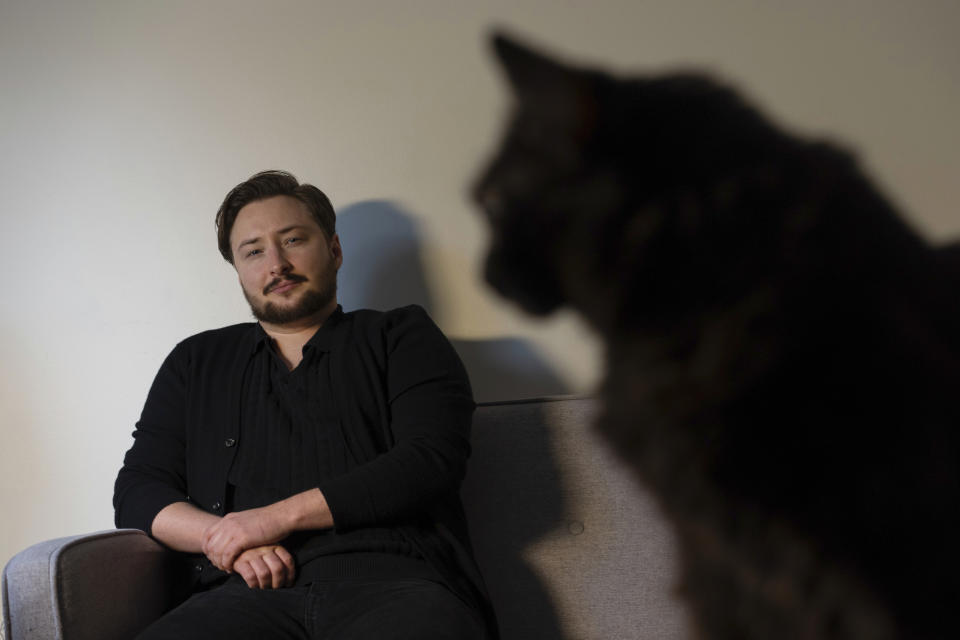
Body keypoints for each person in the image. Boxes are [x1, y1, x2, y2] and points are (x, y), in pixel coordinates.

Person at [113, 170, 496, 639]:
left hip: (397, 584)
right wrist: (227, 541)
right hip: (240, 593)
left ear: (333, 250)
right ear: (238, 270)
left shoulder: (401, 335)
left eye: (293, 240)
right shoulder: (196, 361)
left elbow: (431, 460)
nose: (276, 264)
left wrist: (269, 519)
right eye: (253, 251)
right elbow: (138, 489)